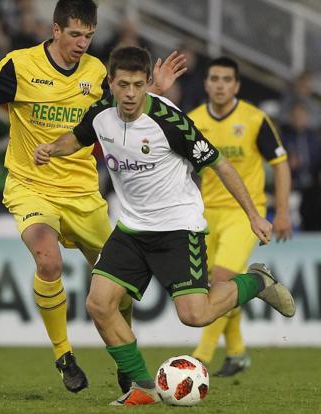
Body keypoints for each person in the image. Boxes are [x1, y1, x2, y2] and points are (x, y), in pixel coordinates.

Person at [33, 46, 295, 406]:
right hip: (132, 229)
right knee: (99, 304)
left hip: (178, 229)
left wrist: (253, 214)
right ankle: (143, 386)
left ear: (147, 85)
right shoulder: (100, 115)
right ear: (109, 83)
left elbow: (219, 164)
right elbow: (76, 138)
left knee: (195, 315)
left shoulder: (169, 121)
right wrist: (51, 147)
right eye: (122, 84)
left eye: (138, 85)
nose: (129, 94)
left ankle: (257, 281)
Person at [0, 0, 186, 393]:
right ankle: (64, 356)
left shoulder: (97, 72)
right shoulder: (20, 66)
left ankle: (124, 358)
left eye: (89, 35)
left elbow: (127, 110)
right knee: (49, 262)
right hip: (31, 186)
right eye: (75, 34)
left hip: (83, 192)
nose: (82, 42)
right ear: (56, 29)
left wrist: (155, 90)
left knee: (120, 285)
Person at [188, 57, 292, 376]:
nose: (220, 85)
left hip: (245, 214)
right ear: (206, 84)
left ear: (236, 85)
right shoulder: (191, 120)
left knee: (220, 280)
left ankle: (199, 358)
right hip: (205, 215)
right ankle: (236, 352)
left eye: (226, 79)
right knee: (216, 289)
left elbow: (280, 164)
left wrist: (283, 210)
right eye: (214, 79)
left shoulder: (254, 119)